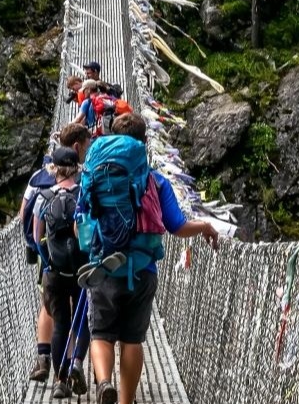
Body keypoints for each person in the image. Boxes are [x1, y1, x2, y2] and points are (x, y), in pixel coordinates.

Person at [81, 113, 220, 404]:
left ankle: (105, 382)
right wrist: (206, 226)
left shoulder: (96, 172)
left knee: (101, 335)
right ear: (145, 143)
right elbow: (177, 226)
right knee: (132, 339)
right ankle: (125, 401)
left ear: (111, 136)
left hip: (104, 268)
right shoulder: (157, 181)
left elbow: (79, 220)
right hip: (142, 270)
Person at [34, 145, 91, 398]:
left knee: (60, 325)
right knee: (83, 321)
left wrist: (47, 262)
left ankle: (60, 380)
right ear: (77, 168)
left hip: (55, 272)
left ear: (53, 169)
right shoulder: (84, 196)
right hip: (83, 271)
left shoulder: (43, 197)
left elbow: (37, 237)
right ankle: (77, 362)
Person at [22, 155, 59, 382]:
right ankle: (64, 371)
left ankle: (43, 358)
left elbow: (23, 213)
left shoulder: (37, 177)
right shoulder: (82, 178)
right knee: (70, 309)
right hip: (73, 257)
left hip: (47, 253)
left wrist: (35, 246)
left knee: (47, 304)